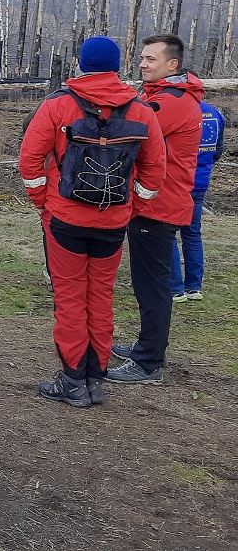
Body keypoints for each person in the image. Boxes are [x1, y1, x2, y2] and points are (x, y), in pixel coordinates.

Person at [20, 35, 166, 407]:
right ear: (117, 66)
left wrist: (44, 205)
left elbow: (30, 163)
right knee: (100, 297)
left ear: (82, 64)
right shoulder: (142, 110)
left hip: (64, 220)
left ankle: (73, 381)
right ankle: (94, 380)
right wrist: (130, 208)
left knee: (70, 299)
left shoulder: (57, 105)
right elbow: (154, 173)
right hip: (113, 223)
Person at [111, 34, 203, 386]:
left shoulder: (172, 102)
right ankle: (145, 348)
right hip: (153, 202)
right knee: (147, 281)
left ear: (172, 64)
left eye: (150, 59)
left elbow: (128, 131)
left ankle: (149, 362)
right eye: (142, 58)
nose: (142, 64)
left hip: (158, 205)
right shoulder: (163, 97)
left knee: (153, 286)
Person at [171, 96, 222, 302]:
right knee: (192, 234)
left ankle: (175, 288)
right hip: (200, 181)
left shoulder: (179, 110)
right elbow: (218, 150)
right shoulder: (214, 113)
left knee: (169, 234)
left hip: (178, 181)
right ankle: (194, 287)